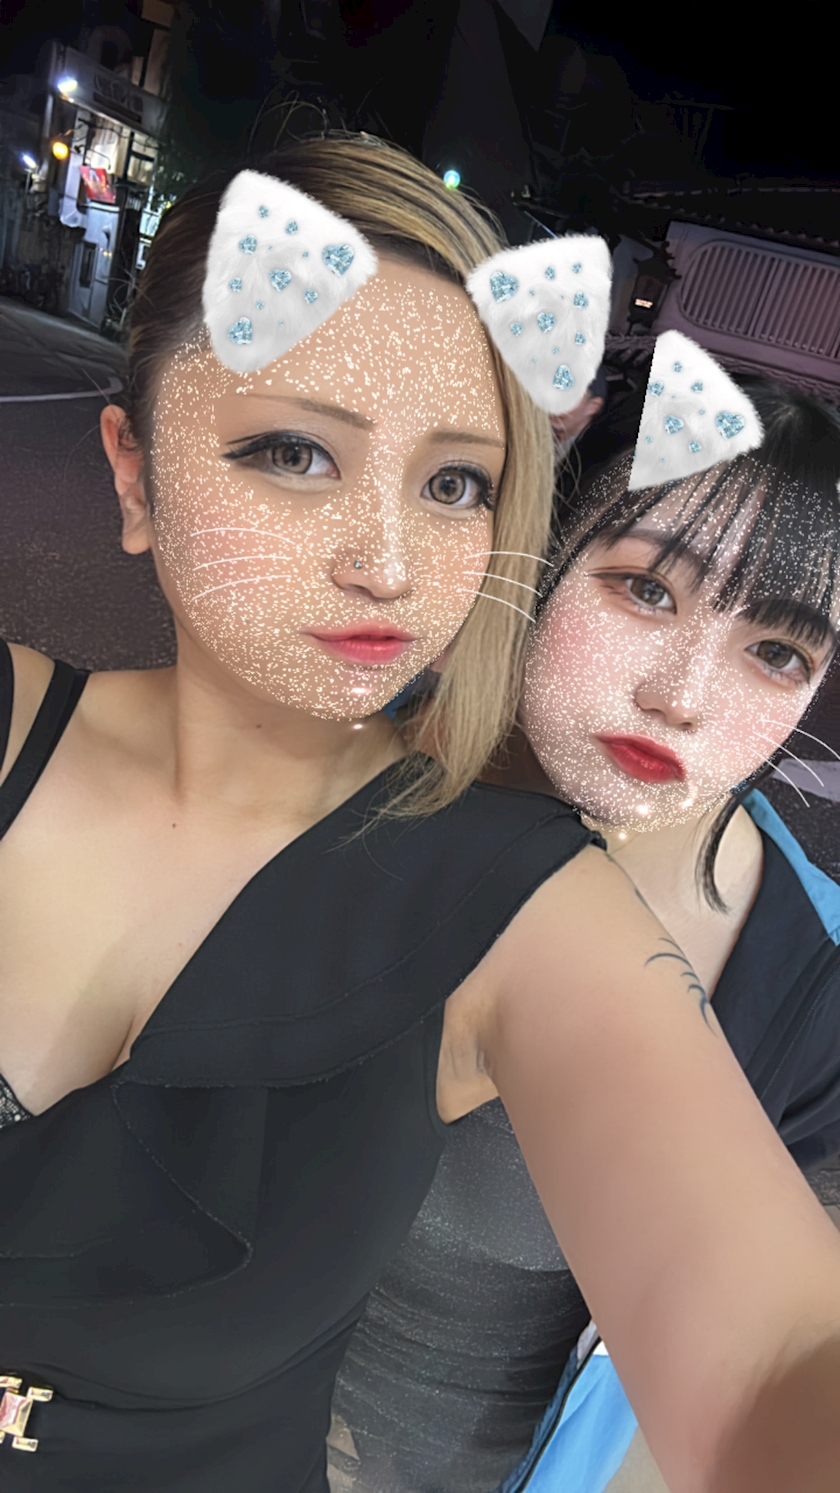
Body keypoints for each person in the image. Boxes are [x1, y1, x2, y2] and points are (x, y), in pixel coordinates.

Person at [1, 134, 840, 1493]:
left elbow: (772, 1358)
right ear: (135, 473)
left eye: (454, 483)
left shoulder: (525, 904)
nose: (388, 563)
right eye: (295, 451)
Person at [328, 377, 840, 1493]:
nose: (682, 694)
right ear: (540, 552)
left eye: (777, 652)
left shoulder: (810, 986)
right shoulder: (316, 778)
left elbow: (779, 1348)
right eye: (647, 588)